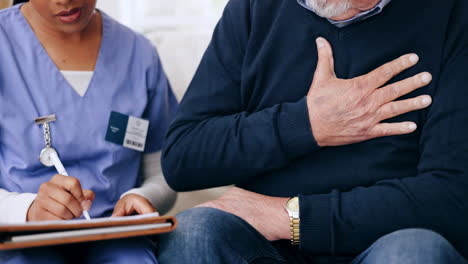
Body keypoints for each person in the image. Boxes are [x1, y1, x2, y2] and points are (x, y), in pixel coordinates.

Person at [158, 0, 468, 263]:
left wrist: (290, 217)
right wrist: (307, 124)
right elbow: (184, 158)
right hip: (265, 249)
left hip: (386, 241)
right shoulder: (254, 8)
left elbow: (453, 198)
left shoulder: (452, 14)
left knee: (413, 253)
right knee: (193, 232)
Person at [0, 0, 178, 263]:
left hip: (117, 238)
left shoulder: (139, 55)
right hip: (21, 242)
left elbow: (163, 171)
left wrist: (140, 197)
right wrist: (28, 210)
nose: (65, 0)